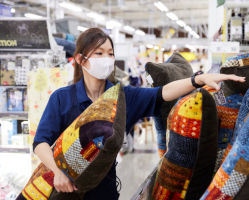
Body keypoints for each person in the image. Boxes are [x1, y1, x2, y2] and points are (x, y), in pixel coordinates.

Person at [33, 28, 245, 200]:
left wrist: (197, 80)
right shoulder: (62, 98)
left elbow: (162, 93)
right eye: (99, 53)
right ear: (80, 59)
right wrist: (58, 171)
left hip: (104, 193)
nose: (107, 59)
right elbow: (41, 143)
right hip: (65, 192)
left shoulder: (123, 97)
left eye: (110, 53)